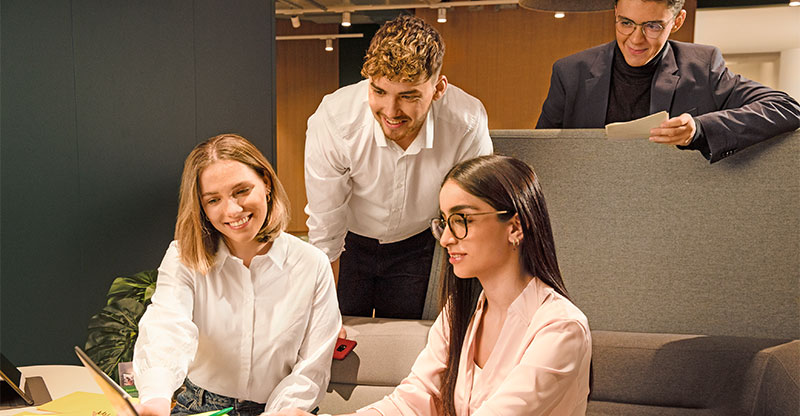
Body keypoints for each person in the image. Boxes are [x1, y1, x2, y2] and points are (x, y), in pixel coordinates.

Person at [278, 155, 592, 416]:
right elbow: (413, 401)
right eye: (444, 221)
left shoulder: (561, 328)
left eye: (462, 219)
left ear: (515, 226)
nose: (445, 238)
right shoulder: (460, 311)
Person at [132, 134, 341, 416]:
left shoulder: (312, 264)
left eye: (241, 191)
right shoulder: (183, 256)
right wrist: (155, 399)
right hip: (200, 407)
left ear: (266, 183)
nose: (232, 210)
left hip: (282, 410)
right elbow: (168, 327)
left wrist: (285, 410)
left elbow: (311, 366)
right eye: (213, 200)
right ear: (202, 208)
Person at [304, 14, 493, 320]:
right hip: (348, 245)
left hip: (418, 245)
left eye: (408, 96)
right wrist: (323, 316)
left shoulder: (466, 123)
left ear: (438, 88)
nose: (391, 112)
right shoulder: (335, 120)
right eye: (379, 92)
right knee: (339, 339)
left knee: (412, 342)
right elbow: (326, 228)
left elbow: (469, 216)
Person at [536, 0, 800, 163]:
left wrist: (699, 128)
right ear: (615, 12)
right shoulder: (569, 72)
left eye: (653, 26)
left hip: (674, 215)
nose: (636, 39)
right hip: (591, 210)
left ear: (677, 21)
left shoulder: (702, 66)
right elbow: (541, 155)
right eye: (626, 23)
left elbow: (786, 108)